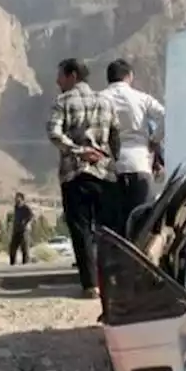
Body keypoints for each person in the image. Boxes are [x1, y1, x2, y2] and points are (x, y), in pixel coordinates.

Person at [46, 58, 119, 298]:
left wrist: (78, 150)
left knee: (81, 230)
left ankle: (91, 285)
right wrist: (108, 159)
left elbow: (54, 133)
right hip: (103, 173)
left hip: (75, 174)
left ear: (73, 75)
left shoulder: (62, 101)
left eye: (61, 76)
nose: (58, 81)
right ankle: (111, 282)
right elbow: (115, 138)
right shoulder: (106, 102)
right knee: (106, 231)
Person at [101, 58, 165, 235]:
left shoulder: (99, 100)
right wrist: (154, 139)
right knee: (142, 224)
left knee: (114, 228)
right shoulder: (142, 98)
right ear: (129, 76)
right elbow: (165, 116)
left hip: (110, 169)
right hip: (139, 164)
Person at [8, 192, 34, 265]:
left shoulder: (26, 208)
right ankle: (12, 263)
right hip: (16, 230)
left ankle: (25, 264)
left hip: (24, 231)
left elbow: (31, 216)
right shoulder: (16, 207)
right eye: (15, 198)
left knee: (24, 248)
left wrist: (27, 223)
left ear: (22, 199)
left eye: (18, 198)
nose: (16, 199)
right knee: (12, 248)